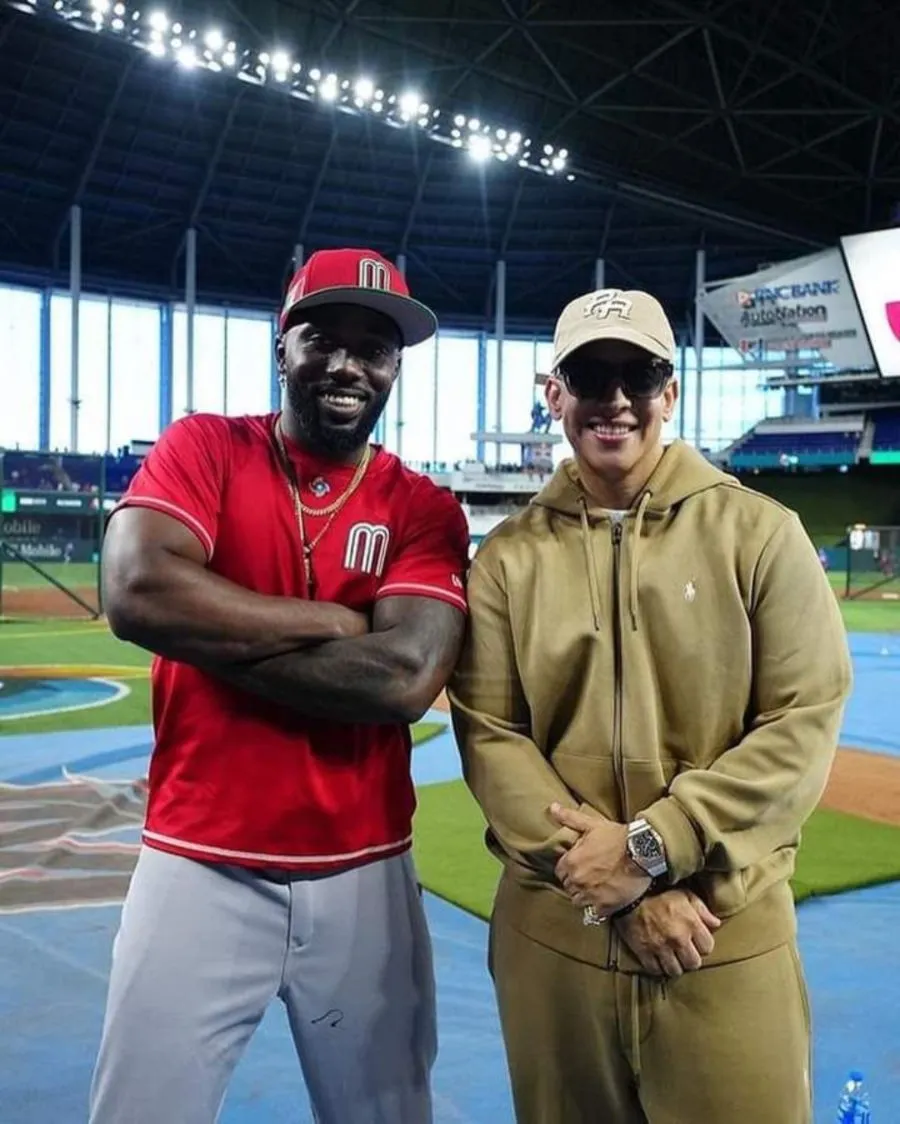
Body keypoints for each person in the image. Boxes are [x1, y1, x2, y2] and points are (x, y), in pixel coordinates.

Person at [449, 286, 852, 1124]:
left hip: (718, 934)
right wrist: (628, 886)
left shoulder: (761, 534)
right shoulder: (507, 559)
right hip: (555, 942)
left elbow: (804, 717)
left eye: (640, 374)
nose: (617, 399)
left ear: (672, 391)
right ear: (552, 391)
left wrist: (654, 847)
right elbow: (492, 737)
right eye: (592, 376)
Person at [89, 248, 470, 1124]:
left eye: (372, 347)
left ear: (395, 367)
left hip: (364, 871)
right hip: (196, 863)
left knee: (388, 1115)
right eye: (322, 338)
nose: (346, 364)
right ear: (281, 343)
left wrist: (208, 635)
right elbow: (138, 591)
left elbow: (405, 677)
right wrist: (336, 623)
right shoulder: (206, 446)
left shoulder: (423, 507)